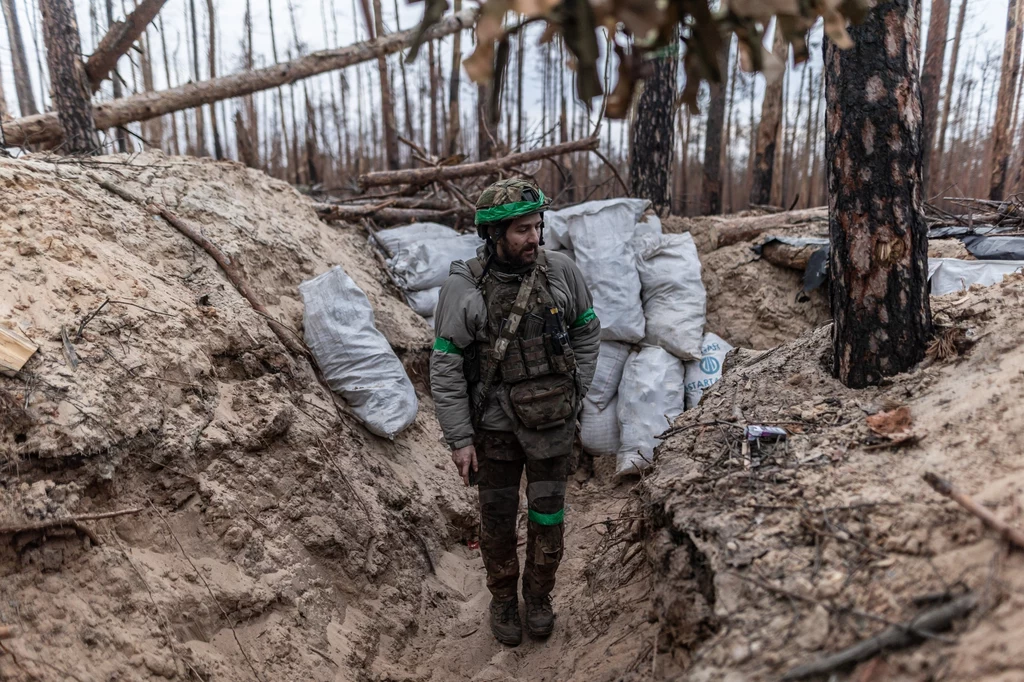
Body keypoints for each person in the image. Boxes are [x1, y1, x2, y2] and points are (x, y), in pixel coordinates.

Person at [429, 179, 601, 646]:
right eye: (523, 229)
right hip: (495, 430)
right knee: (498, 523)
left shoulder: (561, 271)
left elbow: (587, 331)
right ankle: (504, 598)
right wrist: (460, 438)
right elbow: (444, 368)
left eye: (538, 226)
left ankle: (539, 596)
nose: (535, 237)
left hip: (552, 423)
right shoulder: (464, 287)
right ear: (495, 233)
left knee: (548, 517)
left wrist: (577, 389)